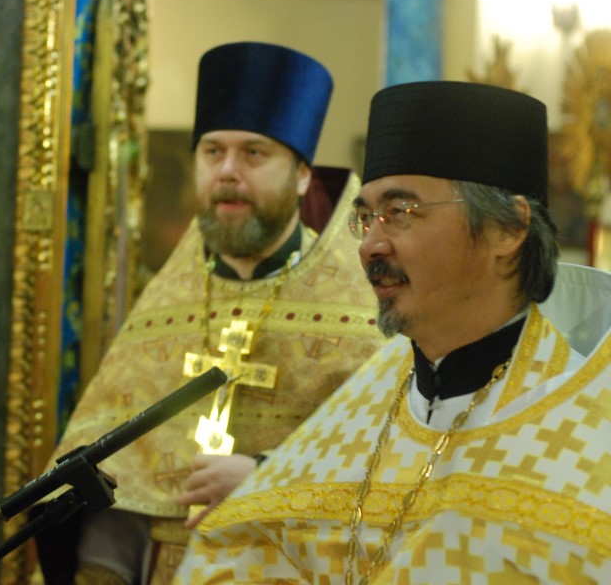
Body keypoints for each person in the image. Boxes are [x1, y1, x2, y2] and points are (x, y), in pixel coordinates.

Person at [174, 80, 611, 584]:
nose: (369, 245)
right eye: (365, 217)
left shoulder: (587, 435)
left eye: (400, 213)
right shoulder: (365, 397)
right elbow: (245, 553)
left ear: (509, 229)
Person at [34, 41, 385, 585]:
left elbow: (389, 467)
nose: (227, 171)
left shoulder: (362, 309)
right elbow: (113, 487)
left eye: (253, 154)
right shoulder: (165, 303)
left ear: (301, 175)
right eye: (212, 152)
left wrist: (269, 479)